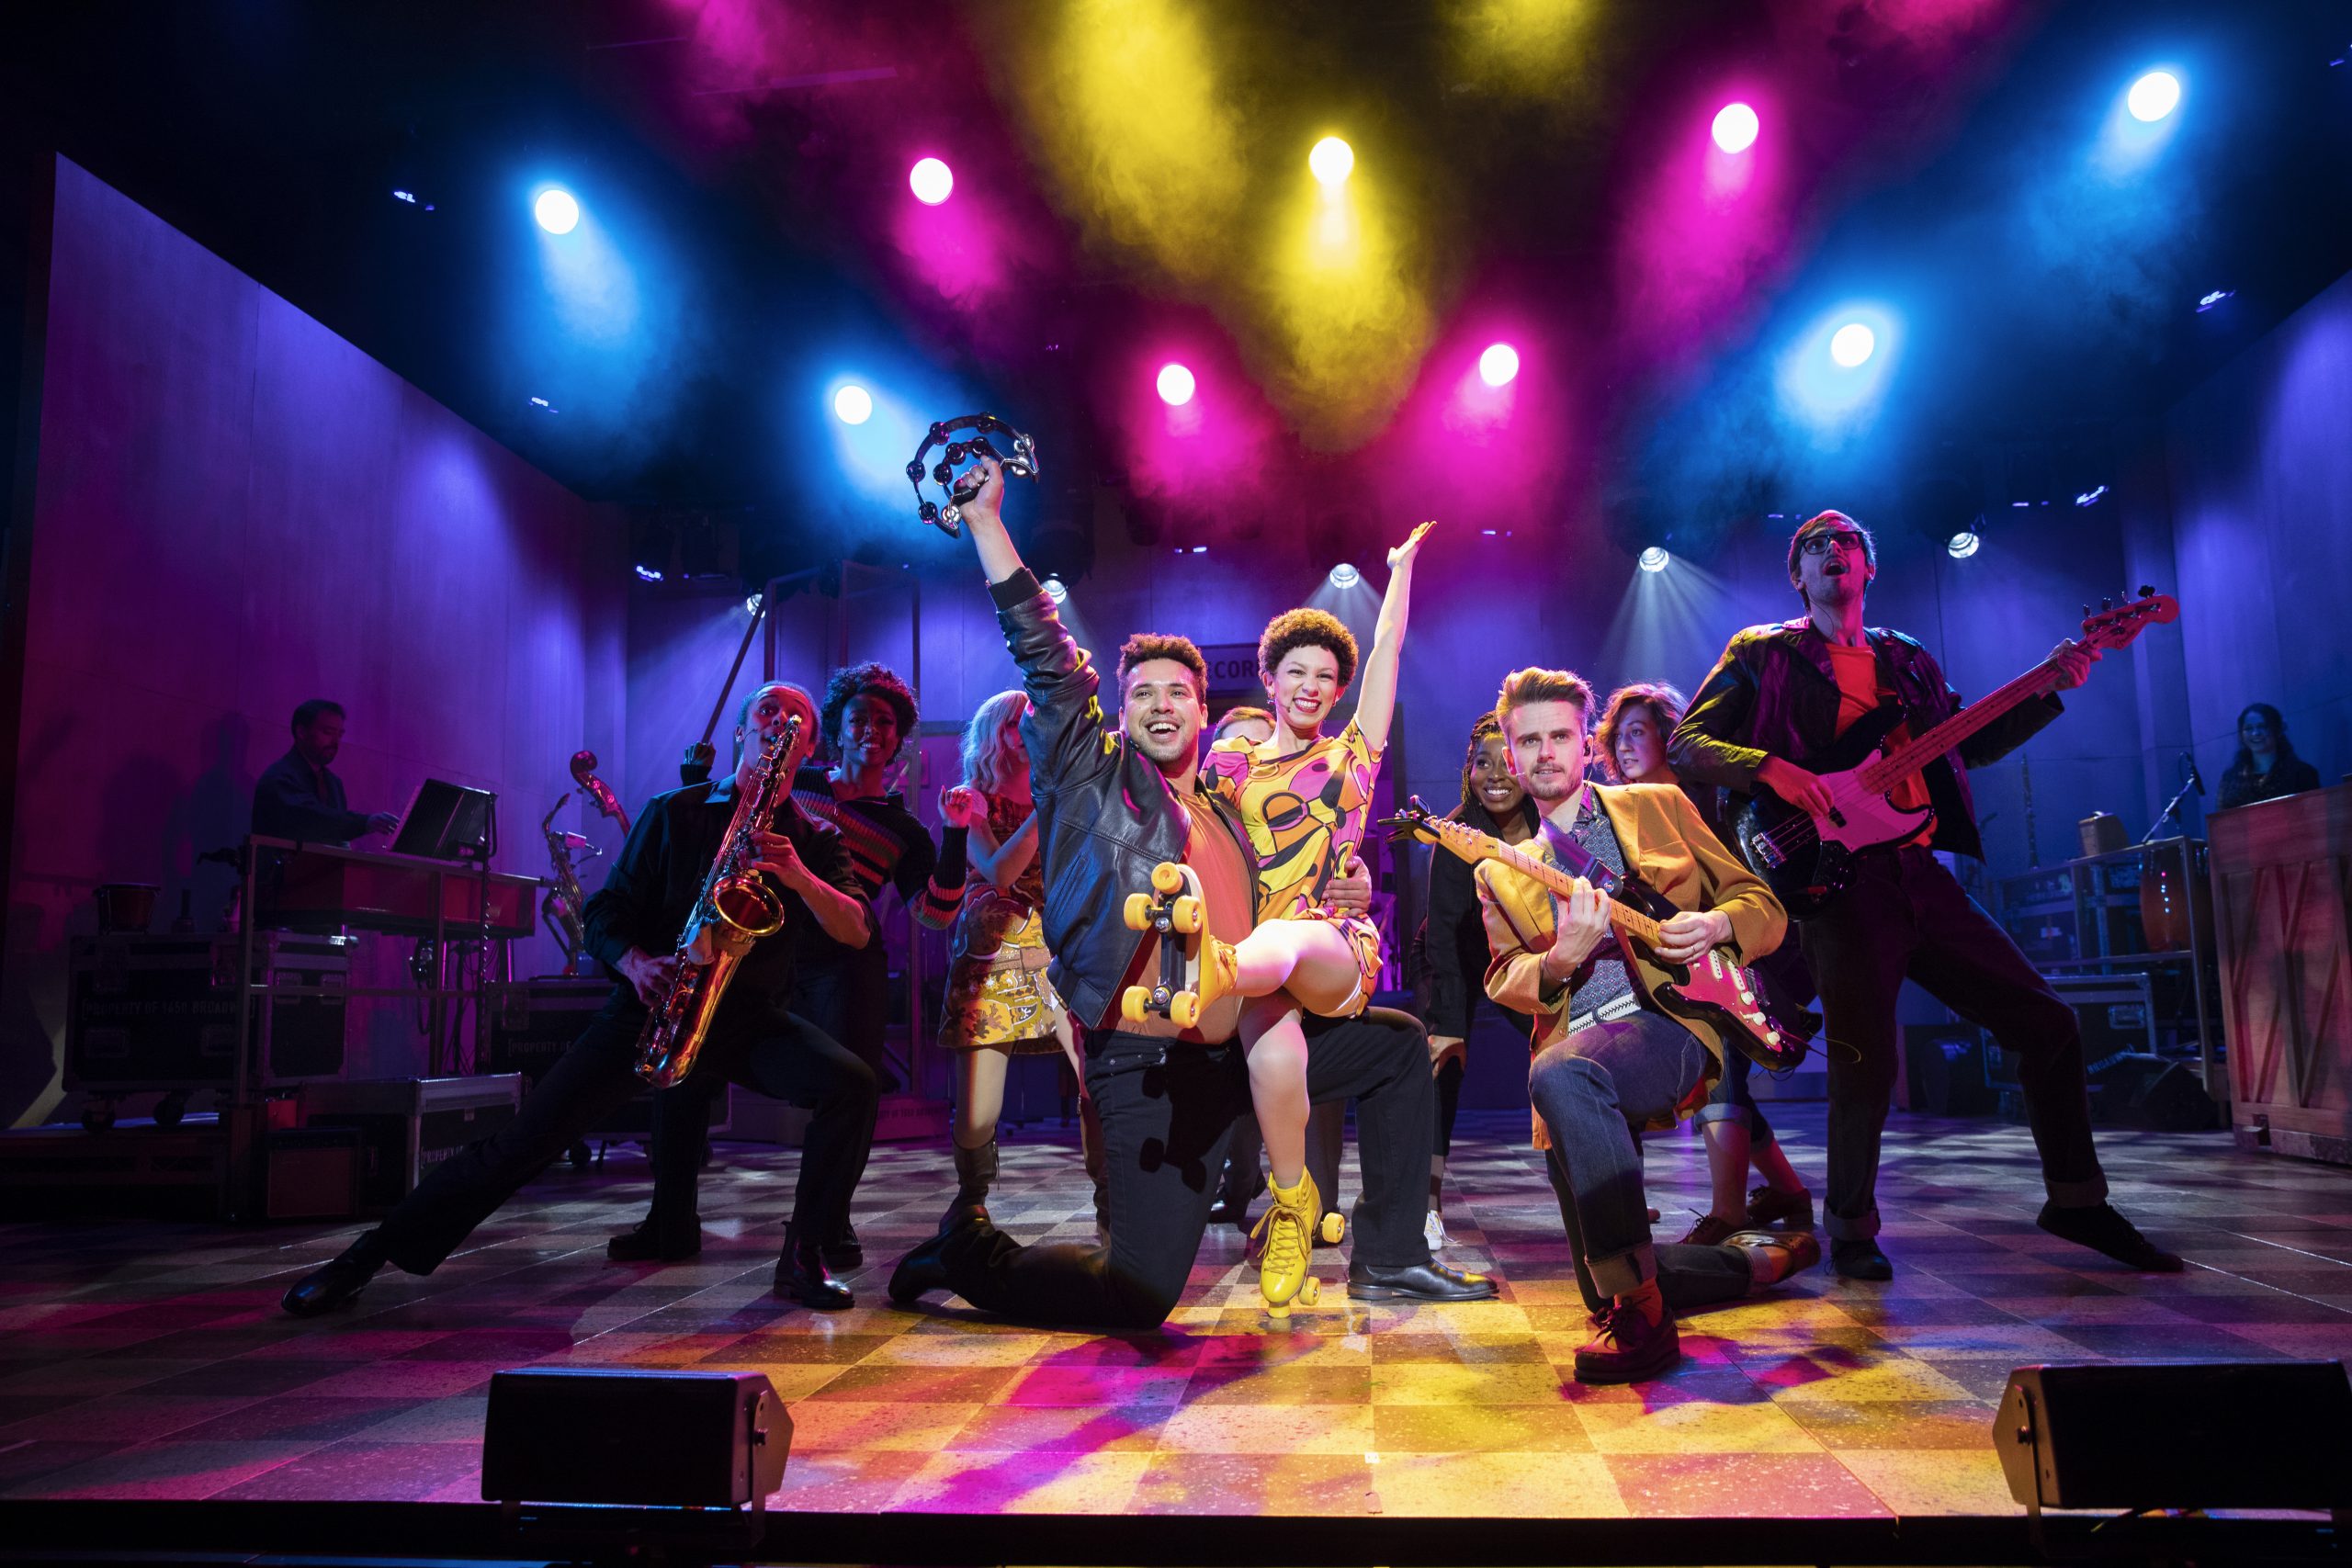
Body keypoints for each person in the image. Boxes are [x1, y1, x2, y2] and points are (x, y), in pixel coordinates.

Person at [888, 457, 1492, 1329]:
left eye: (1180, 691)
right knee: (1136, 1294)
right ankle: (968, 1251)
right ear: (1120, 710)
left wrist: (1347, 882)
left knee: (1396, 1049)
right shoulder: (1093, 778)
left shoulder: (1226, 803)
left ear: (1208, 713)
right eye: (1142, 694)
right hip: (1150, 1057)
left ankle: (1391, 1255)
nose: (1161, 704)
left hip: (1231, 1038)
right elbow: (1050, 662)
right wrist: (987, 526)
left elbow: (1307, 861)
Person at [1670, 509, 2181, 1280]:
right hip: (1835, 879)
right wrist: (1773, 769)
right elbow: (1686, 743)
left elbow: (1963, 744)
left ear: (1867, 568)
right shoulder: (1763, 652)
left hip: (1915, 868)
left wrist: (2052, 684)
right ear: (1797, 576)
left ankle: (2077, 1200)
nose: (1832, 552)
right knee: (1863, 1056)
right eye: (1814, 546)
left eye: (1846, 542)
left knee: (2046, 1021)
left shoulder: (1905, 660)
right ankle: (1850, 1229)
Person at [281, 682, 882, 1316]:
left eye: (796, 718)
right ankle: (368, 1256)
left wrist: (798, 875)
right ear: (742, 730)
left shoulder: (814, 839)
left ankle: (803, 1254)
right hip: (652, 1005)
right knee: (524, 1140)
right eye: (767, 709)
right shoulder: (674, 810)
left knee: (853, 1083)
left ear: (807, 746)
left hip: (745, 1018)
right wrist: (633, 961)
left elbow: (857, 929)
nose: (779, 720)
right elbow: (605, 911)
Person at [1475, 667, 1816, 1382]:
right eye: (1528, 740)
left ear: (1584, 742)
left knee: (1561, 1075)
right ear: (1510, 756)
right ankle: (1754, 1263)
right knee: (1604, 1271)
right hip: (1576, 1049)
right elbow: (1505, 975)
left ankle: (1649, 1324)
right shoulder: (1502, 870)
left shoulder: (1658, 805)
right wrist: (1560, 959)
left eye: (1560, 736)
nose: (1545, 753)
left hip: (1671, 1026)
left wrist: (1719, 920)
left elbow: (1764, 905)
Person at [1198, 524, 1431, 1312]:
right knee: (1275, 1056)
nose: (1309, 685)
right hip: (1262, 963)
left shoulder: (1353, 755)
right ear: (1268, 679)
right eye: (1295, 670)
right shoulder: (1228, 767)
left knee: (1282, 943)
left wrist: (1397, 572)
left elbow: (1391, 646)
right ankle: (1292, 1202)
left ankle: (1214, 975)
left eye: (1325, 675)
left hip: (1331, 942)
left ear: (1338, 690)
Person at [1596, 682, 1814, 1245]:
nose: (1622, 747)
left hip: (1746, 957)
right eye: (1617, 737)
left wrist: (1719, 929)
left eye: (1637, 733)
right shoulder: (1621, 814)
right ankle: (1788, 1192)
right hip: (1684, 970)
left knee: (1721, 1074)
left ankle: (1727, 1214)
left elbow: (1748, 890)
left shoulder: (1707, 802)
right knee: (1715, 1075)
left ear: (1671, 737)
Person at [932, 690, 1099, 1230]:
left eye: (1035, 723)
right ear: (995, 734)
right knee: (979, 1106)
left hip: (1064, 939)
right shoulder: (972, 798)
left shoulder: (1068, 791)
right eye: (1014, 724)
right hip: (996, 946)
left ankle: (1111, 1194)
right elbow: (998, 871)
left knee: (1097, 1076)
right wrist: (1046, 807)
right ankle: (972, 1194)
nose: (1026, 732)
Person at [1408, 712, 1536, 1251]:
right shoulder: (1458, 834)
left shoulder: (1552, 820)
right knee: (1444, 1067)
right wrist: (1446, 1025)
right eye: (1481, 762)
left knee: (1575, 1054)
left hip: (1522, 961)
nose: (1495, 774)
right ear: (1467, 771)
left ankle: (1604, 1182)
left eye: (1506, 760)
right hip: (1455, 960)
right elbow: (1442, 939)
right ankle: (1427, 1205)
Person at [252, 699, 401, 847]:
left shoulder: (333, 783)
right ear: (301, 732)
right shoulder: (280, 778)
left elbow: (337, 838)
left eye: (339, 735)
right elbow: (314, 819)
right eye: (328, 732)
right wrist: (365, 822)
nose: (335, 742)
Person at [2217, 702, 2322, 809]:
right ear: (2241, 735)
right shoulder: (2230, 779)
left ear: (2277, 730)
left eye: (2262, 726)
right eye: (2248, 728)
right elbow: (2223, 821)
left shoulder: (2303, 773)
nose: (2255, 733)